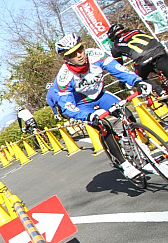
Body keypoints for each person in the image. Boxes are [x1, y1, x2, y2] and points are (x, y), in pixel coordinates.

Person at [53, 33, 153, 179]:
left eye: (80, 49)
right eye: (73, 54)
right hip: (83, 105)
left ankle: (131, 142)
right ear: (66, 58)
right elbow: (67, 105)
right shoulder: (64, 77)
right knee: (103, 125)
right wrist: (87, 116)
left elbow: (119, 70)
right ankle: (124, 163)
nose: (79, 55)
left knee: (126, 113)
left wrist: (138, 82)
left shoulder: (96, 55)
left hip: (101, 96)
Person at [107, 23, 168, 95]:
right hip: (159, 51)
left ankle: (160, 91)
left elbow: (119, 65)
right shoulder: (137, 31)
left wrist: (122, 81)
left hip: (143, 60)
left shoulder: (115, 46)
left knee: (137, 78)